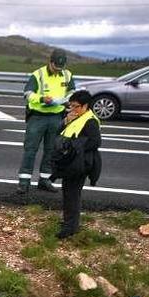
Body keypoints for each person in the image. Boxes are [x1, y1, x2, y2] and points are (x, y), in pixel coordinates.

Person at [18, 48, 75, 194]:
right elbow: (28, 93)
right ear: (50, 62)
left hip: (56, 117)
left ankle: (44, 180)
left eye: (60, 68)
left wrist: (70, 101)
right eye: (55, 67)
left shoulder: (67, 75)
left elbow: (71, 92)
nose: (57, 70)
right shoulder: (39, 74)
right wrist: (42, 99)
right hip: (38, 117)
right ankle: (24, 182)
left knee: (52, 150)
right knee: (31, 149)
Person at [51, 90, 102, 239]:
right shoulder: (76, 116)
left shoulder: (90, 120)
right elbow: (60, 133)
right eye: (70, 106)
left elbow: (95, 142)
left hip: (80, 163)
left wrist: (73, 147)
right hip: (71, 161)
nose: (72, 109)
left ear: (85, 105)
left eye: (76, 106)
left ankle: (70, 227)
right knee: (68, 191)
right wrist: (66, 121)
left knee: (72, 193)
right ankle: (70, 223)